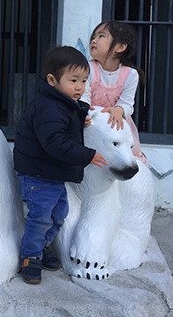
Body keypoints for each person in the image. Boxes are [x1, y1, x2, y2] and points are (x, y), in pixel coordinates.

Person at [13, 46, 107, 285]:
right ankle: (30, 256)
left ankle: (41, 246)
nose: (79, 87)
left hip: (50, 174)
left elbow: (65, 121)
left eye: (84, 81)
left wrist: (80, 115)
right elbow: (54, 142)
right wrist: (87, 155)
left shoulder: (63, 103)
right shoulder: (48, 107)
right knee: (41, 217)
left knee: (58, 215)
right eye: (73, 80)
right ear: (52, 80)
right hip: (38, 175)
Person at [82, 21, 147, 163]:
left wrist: (119, 110)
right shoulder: (88, 68)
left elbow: (128, 104)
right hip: (90, 120)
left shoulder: (130, 75)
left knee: (124, 157)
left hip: (115, 122)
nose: (94, 40)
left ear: (121, 47)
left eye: (101, 36)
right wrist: (84, 113)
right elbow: (83, 96)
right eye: (93, 37)